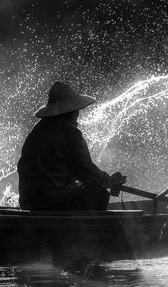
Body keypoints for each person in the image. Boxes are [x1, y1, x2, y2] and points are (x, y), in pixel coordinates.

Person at [17, 81, 126, 211]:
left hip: (28, 201)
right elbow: (86, 171)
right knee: (98, 194)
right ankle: (85, 225)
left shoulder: (38, 129)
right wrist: (110, 181)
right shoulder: (68, 131)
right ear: (73, 111)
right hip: (50, 202)